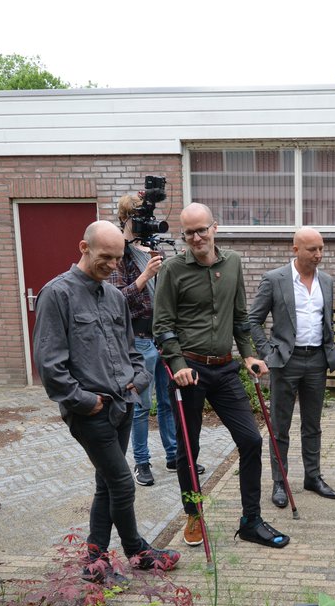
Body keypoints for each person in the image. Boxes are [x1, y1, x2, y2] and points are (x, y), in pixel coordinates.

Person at [32, 220, 180, 582]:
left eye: (117, 258)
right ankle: (136, 550)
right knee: (122, 483)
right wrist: (84, 401)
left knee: (106, 484)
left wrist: (137, 382)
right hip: (90, 410)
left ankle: (94, 563)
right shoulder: (58, 294)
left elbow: (131, 350)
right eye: (105, 257)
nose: (113, 265)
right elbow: (50, 363)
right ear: (84, 247)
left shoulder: (114, 296)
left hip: (123, 405)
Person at [154, 203, 289, 549]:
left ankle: (250, 520)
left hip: (225, 367)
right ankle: (194, 514)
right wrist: (178, 362)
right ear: (183, 236)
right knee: (189, 447)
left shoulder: (233, 263)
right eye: (189, 233)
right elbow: (163, 325)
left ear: (215, 227)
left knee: (252, 440)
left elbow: (241, 316)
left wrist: (249, 355)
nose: (196, 237)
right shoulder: (171, 270)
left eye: (202, 230)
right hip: (190, 371)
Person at [106, 193, 202, 487]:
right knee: (140, 405)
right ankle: (142, 462)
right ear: (125, 219)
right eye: (139, 219)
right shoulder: (118, 254)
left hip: (162, 338)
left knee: (169, 401)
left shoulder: (150, 248)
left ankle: (174, 455)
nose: (145, 224)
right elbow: (115, 300)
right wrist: (146, 275)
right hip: (138, 340)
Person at [249, 227, 335, 506]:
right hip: (286, 362)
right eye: (312, 249)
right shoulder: (275, 279)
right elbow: (253, 320)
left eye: (321, 249)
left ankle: (312, 477)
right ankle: (280, 482)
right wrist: (267, 353)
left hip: (316, 361)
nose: (318, 255)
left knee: (313, 424)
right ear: (295, 250)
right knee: (280, 426)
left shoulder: (326, 281)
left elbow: (326, 320)